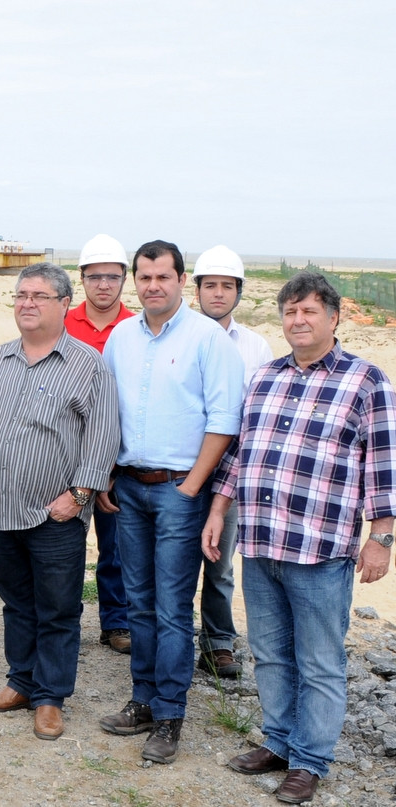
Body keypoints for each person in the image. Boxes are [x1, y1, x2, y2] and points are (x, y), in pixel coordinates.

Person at [203, 271, 394, 806]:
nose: (299, 320)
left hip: (320, 550)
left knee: (319, 661)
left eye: (310, 311)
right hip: (262, 545)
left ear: (334, 318)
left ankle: (309, 760)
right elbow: (240, 456)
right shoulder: (264, 378)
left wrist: (382, 537)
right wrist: (218, 509)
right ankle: (279, 742)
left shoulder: (366, 381)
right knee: (269, 654)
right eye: (290, 311)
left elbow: (383, 465)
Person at [98, 240, 243, 763]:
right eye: (144, 277)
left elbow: (224, 420)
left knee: (172, 607)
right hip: (129, 488)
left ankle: (169, 714)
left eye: (163, 277)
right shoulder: (121, 337)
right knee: (138, 600)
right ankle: (141, 700)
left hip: (180, 489)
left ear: (181, 280)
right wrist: (108, 474)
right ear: (135, 282)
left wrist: (191, 488)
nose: (152, 285)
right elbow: (106, 411)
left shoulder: (208, 338)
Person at [0, 264, 119, 741]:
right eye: (21, 295)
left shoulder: (86, 364)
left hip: (57, 513)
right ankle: (21, 683)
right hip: (4, 507)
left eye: (39, 295)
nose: (27, 303)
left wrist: (77, 496)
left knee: (57, 607)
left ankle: (50, 697)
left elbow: (102, 436)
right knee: (15, 600)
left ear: (63, 304)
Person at [189, 244, 275, 680]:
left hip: (232, 474)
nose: (218, 294)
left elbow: (256, 417)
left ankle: (218, 643)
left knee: (220, 564)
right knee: (170, 561)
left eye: (227, 286)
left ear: (239, 291)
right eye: (210, 285)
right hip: (180, 471)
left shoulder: (256, 348)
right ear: (197, 288)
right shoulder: (177, 334)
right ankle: (160, 637)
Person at [65, 233, 135, 655]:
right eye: (95, 277)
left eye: (112, 277)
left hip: (116, 458)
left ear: (124, 280)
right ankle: (62, 617)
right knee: (65, 543)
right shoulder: (62, 321)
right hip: (66, 454)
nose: (103, 285)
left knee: (116, 547)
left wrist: (109, 465)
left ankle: (117, 622)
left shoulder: (137, 327)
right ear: (82, 279)